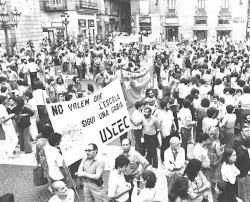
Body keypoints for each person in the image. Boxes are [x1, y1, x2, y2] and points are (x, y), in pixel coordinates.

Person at [235, 137, 250, 202]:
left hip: (244, 173)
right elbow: (240, 165)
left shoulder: (240, 147)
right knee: (242, 191)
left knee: (245, 189)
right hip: (242, 174)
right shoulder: (242, 153)